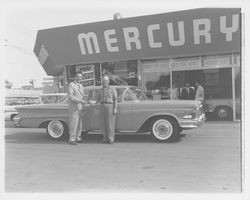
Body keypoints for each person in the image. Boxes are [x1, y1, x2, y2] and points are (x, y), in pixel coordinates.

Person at [68, 73, 88, 145]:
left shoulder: (81, 85)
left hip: (80, 107)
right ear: (74, 77)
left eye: (80, 77)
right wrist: (81, 101)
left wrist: (85, 103)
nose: (79, 78)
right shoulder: (71, 85)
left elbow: (82, 96)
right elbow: (71, 97)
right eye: (78, 77)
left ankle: (78, 138)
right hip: (74, 107)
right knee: (74, 123)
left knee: (79, 124)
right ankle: (72, 139)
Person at [96, 76, 118, 144]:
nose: (105, 82)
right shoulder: (100, 89)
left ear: (108, 82)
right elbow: (98, 99)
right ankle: (105, 138)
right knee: (103, 123)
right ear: (102, 82)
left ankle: (111, 139)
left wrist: (115, 108)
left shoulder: (112, 89)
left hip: (110, 106)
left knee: (110, 124)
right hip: (102, 106)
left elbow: (115, 99)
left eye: (106, 81)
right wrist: (94, 103)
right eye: (103, 81)